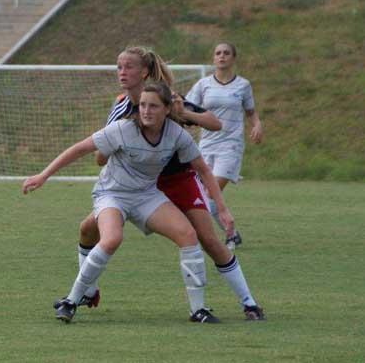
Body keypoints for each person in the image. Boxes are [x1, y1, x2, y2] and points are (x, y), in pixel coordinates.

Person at [61, 46, 265, 322]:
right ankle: (85, 291)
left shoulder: (164, 99)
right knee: (87, 229)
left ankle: (248, 303)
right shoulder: (121, 107)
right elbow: (99, 157)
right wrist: (113, 145)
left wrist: (184, 114)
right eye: (118, 67)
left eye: (128, 67)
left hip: (177, 180)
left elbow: (214, 123)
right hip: (137, 185)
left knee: (207, 239)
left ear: (143, 72)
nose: (122, 72)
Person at [23, 83, 234, 324]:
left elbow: (204, 170)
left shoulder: (176, 134)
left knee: (188, 234)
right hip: (112, 194)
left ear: (167, 109)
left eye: (153, 106)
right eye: (142, 105)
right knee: (112, 238)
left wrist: (223, 209)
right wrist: (43, 175)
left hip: (146, 195)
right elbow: (79, 149)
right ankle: (71, 300)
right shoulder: (122, 129)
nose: (146, 110)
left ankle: (198, 310)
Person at [186, 42, 264, 249]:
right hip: (205, 147)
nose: (222, 56)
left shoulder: (243, 85)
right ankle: (232, 234)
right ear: (213, 58)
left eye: (226, 53)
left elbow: (250, 112)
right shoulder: (203, 85)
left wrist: (257, 124)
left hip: (230, 147)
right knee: (205, 197)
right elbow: (187, 109)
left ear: (233, 58)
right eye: (218, 53)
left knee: (210, 193)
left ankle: (221, 235)